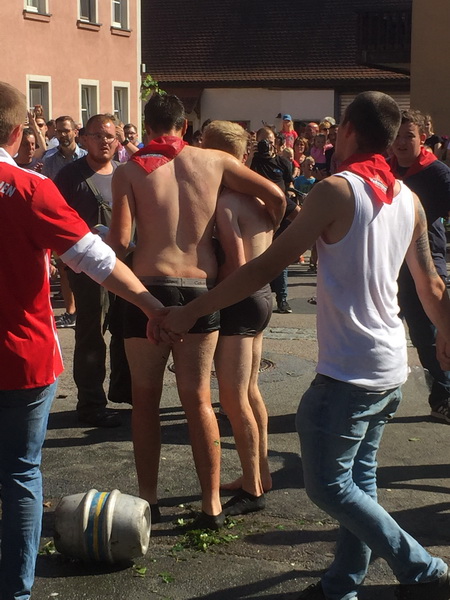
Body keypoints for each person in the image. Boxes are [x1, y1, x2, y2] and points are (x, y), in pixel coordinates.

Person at [155, 91, 450, 600]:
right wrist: (445, 334)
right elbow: (433, 285)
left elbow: (266, 267)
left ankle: (422, 569)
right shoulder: (408, 199)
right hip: (389, 365)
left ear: (349, 130)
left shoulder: (337, 191)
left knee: (330, 487)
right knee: (359, 483)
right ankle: (341, 585)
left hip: (349, 371)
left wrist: (190, 311)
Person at [0, 81, 164, 600]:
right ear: (17, 132)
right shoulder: (29, 188)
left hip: (19, 357)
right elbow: (94, 259)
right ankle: (15, 590)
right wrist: (152, 305)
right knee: (20, 474)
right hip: (20, 357)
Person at [107, 93, 285, 529]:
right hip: (198, 289)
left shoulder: (128, 170)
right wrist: (271, 229)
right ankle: (211, 505)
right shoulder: (214, 161)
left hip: (147, 286)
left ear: (145, 125)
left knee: (145, 401)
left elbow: (121, 242)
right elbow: (275, 194)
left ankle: (149, 500)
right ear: (185, 126)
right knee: (199, 399)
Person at [202, 120, 275, 513]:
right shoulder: (260, 201)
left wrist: (208, 298)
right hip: (261, 297)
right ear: (243, 156)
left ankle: (252, 488)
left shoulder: (227, 203)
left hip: (240, 300)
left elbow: (237, 263)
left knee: (232, 396)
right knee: (249, 391)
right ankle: (261, 473)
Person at [54, 114, 133, 427]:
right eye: (98, 136)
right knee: (91, 334)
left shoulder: (125, 173)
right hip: (88, 270)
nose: (105, 141)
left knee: (126, 331)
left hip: (125, 265)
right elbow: (56, 220)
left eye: (110, 136)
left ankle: (123, 393)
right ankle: (91, 404)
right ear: (84, 139)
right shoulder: (70, 176)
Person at [390, 109, 450, 423]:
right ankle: (376, 394)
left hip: (425, 261)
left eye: (408, 136)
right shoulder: (384, 168)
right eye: (397, 136)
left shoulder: (436, 173)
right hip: (389, 262)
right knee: (383, 330)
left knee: (428, 334)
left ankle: (444, 397)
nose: (401, 142)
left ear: (422, 138)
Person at [251, 126, 299, 314]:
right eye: (263, 141)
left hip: (281, 210)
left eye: (270, 141)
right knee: (258, 255)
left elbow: (288, 186)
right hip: (257, 211)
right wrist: (251, 155)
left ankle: (282, 298)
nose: (267, 145)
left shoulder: (283, 162)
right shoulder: (252, 161)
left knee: (280, 258)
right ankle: (255, 298)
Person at [42, 116, 86, 180]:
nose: (63, 134)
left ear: (75, 133)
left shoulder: (87, 159)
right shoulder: (49, 162)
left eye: (66, 131)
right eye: (59, 131)